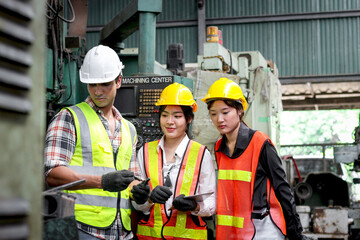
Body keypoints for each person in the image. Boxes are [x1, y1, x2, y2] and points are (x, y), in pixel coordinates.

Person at [44, 45, 147, 240]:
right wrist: (101, 182)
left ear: (118, 81)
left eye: (105, 84)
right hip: (83, 230)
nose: (98, 91)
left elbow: (130, 179)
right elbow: (52, 174)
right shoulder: (69, 118)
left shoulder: (129, 129)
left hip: (122, 232)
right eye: (92, 85)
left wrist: (140, 191)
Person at [202, 78, 309, 240]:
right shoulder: (219, 148)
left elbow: (282, 188)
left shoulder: (260, 142)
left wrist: (296, 232)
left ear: (239, 110)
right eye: (213, 114)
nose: (219, 119)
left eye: (225, 112)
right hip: (233, 231)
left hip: (263, 229)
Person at [130, 83, 216, 240]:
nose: (170, 121)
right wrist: (148, 199)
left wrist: (194, 206)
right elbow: (137, 205)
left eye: (177, 116)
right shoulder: (145, 152)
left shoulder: (201, 154)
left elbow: (211, 204)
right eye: (165, 115)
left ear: (188, 119)